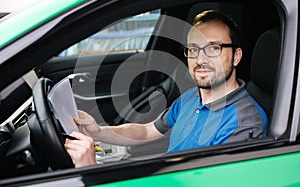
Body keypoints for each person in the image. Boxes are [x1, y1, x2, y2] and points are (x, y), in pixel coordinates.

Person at [64, 10, 268, 167]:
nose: (200, 59)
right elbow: (146, 131)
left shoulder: (244, 123)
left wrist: (89, 171)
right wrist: (98, 131)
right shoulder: (190, 98)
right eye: (193, 49)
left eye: (213, 48)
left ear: (237, 56)